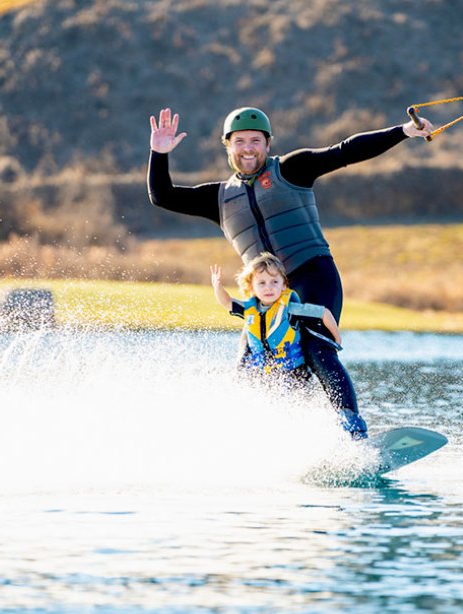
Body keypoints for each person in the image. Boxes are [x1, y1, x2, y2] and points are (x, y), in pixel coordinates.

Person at [148, 105, 433, 439]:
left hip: (313, 276)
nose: (248, 148)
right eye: (239, 141)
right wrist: (158, 153)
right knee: (255, 366)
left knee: (314, 348)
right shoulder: (219, 198)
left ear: (268, 144)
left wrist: (402, 131)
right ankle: (274, 441)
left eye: (255, 140)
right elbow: (162, 196)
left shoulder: (292, 169)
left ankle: (353, 431)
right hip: (267, 294)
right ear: (228, 147)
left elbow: (345, 151)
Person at [211, 252, 341, 390]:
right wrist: (217, 287)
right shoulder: (249, 309)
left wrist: (337, 339)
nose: (269, 287)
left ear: (283, 285)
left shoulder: (291, 309)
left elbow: (324, 313)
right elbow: (226, 302)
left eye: (274, 282)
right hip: (265, 376)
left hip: (295, 376)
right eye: (262, 283)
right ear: (252, 287)